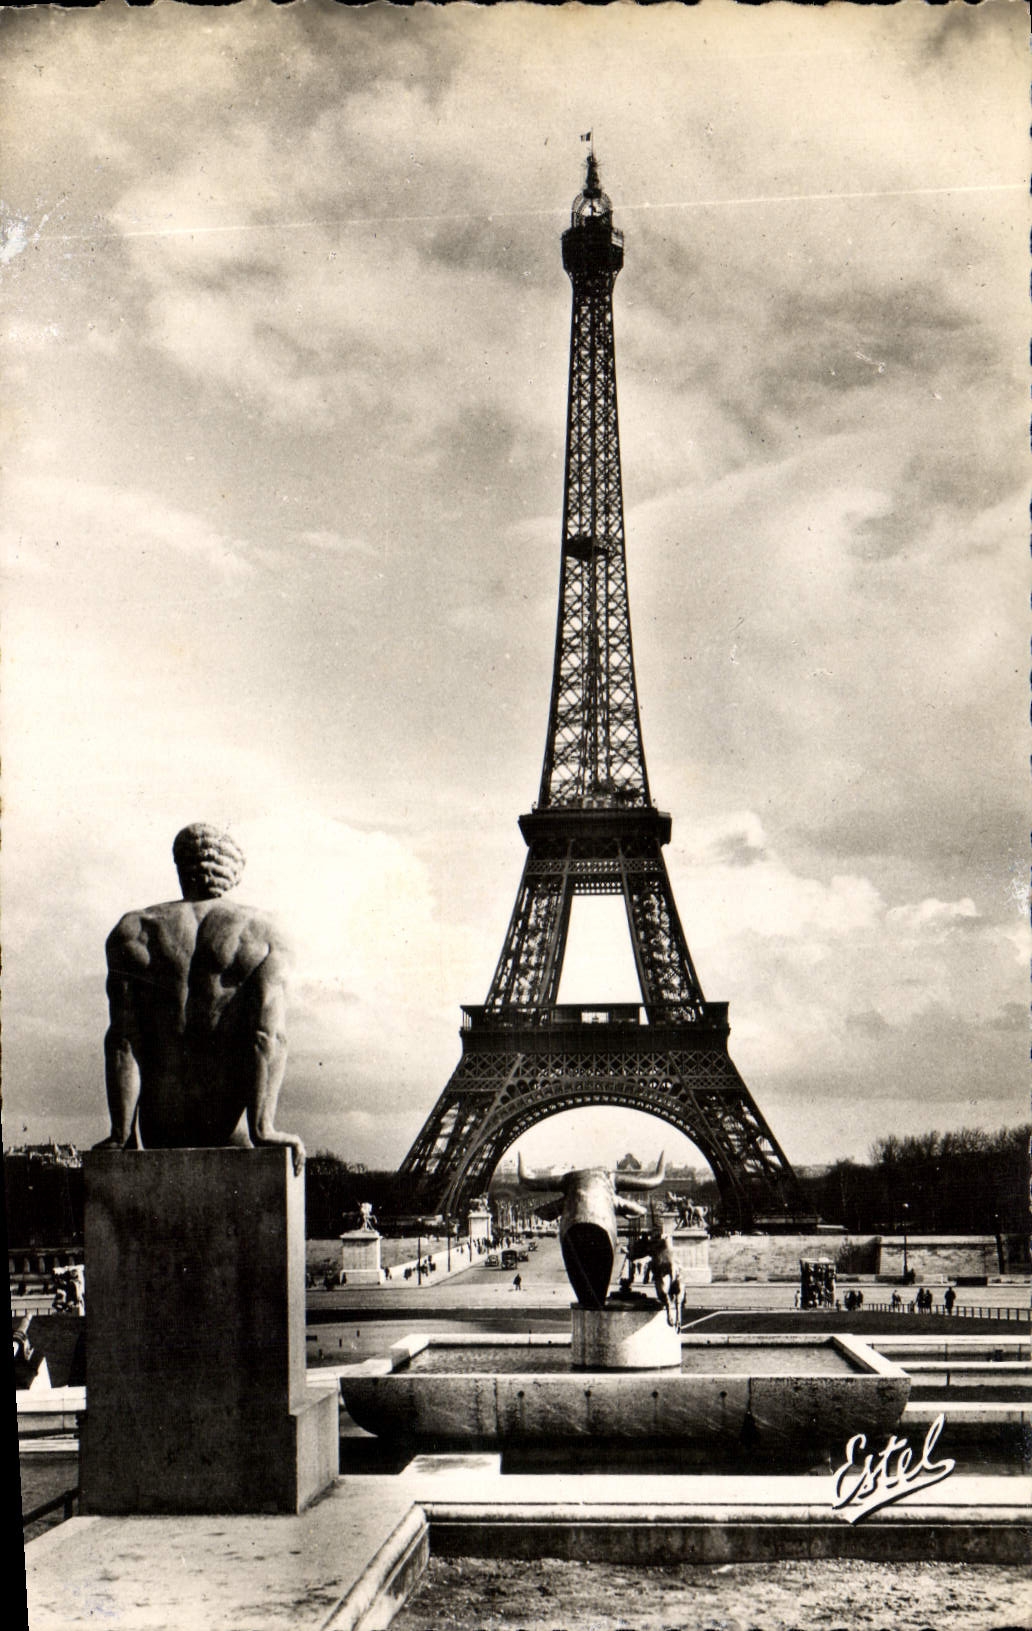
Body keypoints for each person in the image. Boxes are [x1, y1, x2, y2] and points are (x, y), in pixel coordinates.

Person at [95, 824, 304, 1174]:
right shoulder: (265, 932)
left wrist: (120, 1133)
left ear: (181, 867)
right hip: (229, 1125)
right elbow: (269, 1036)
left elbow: (122, 1041)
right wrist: (263, 1128)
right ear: (233, 873)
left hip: (160, 1123)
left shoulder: (134, 929)